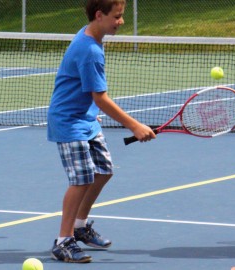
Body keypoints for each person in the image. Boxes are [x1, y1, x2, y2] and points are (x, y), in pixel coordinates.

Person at [47, 0, 155, 263]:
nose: (121, 21)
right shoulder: (90, 50)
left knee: (104, 171)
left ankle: (80, 226)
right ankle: (63, 240)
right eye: (117, 16)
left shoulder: (91, 35)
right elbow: (101, 99)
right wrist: (135, 125)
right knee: (81, 179)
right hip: (68, 122)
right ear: (99, 15)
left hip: (86, 119)